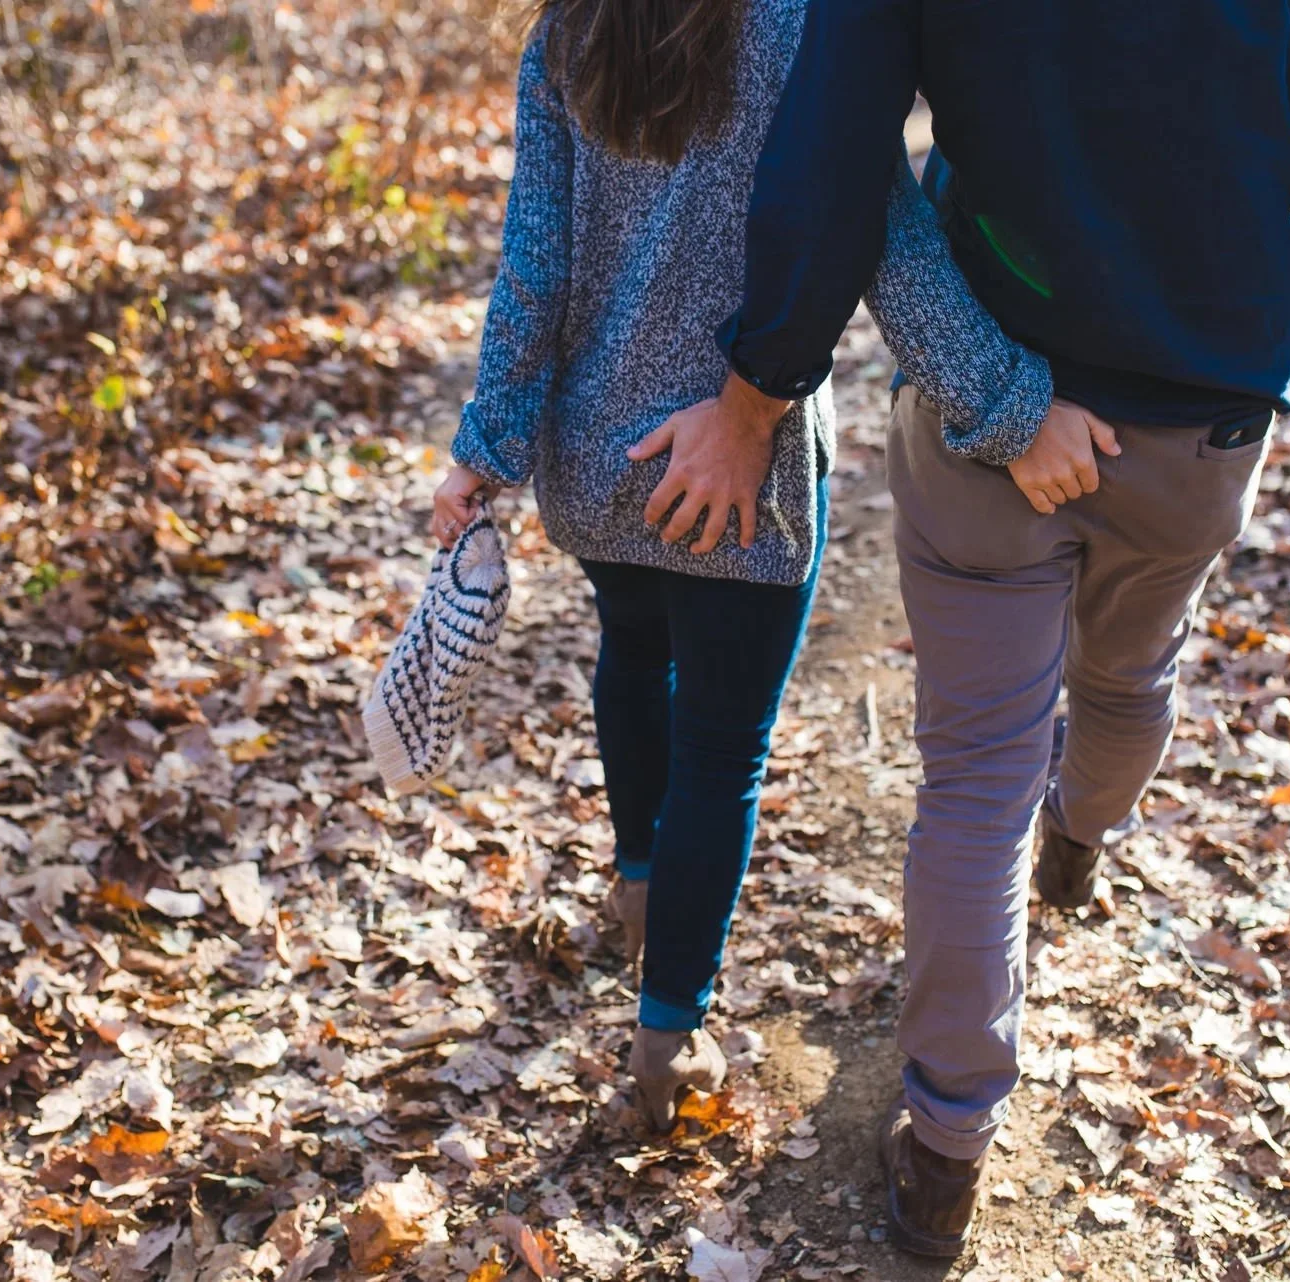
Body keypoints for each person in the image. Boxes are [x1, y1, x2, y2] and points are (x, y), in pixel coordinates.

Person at [653, 0, 1290, 1255]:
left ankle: (948, 1148)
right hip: (1200, 414)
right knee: (1129, 673)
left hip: (993, 403)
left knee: (974, 780)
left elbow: (834, 147)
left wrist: (764, 382)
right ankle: (1084, 835)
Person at [429, 0, 1066, 1131]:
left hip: (600, 453)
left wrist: (488, 446)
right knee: (721, 750)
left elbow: (534, 259)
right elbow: (891, 243)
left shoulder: (576, 25)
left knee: (631, 653)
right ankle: (668, 1035)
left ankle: (639, 888)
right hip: (744, 468)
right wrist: (1012, 410)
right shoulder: (811, 30)